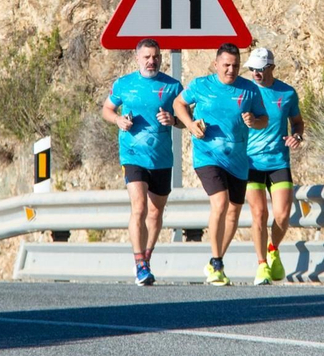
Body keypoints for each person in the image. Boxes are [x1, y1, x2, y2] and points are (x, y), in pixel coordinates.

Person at [174, 43, 268, 286]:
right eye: (226, 65)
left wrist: (253, 120)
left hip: (237, 160)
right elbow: (178, 104)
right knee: (220, 202)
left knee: (234, 211)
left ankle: (216, 259)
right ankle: (217, 263)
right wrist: (190, 124)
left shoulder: (249, 90)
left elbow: (263, 120)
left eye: (235, 65)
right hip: (207, 156)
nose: (230, 69)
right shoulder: (200, 85)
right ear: (216, 64)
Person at [101, 39, 182, 286]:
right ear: (137, 58)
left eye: (155, 56)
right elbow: (107, 109)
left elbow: (187, 118)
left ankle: (147, 257)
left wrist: (173, 119)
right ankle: (140, 264)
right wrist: (118, 121)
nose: (151, 61)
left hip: (161, 157)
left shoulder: (172, 86)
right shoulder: (124, 84)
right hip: (132, 155)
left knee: (156, 212)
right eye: (146, 57)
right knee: (139, 207)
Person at [243, 47, 304, 284]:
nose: (256, 74)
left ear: (271, 68)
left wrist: (296, 137)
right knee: (259, 214)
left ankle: (273, 249)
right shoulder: (244, 91)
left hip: (278, 161)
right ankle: (261, 265)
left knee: (282, 214)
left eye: (260, 69)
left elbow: (297, 122)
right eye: (252, 69)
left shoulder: (287, 93)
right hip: (250, 162)